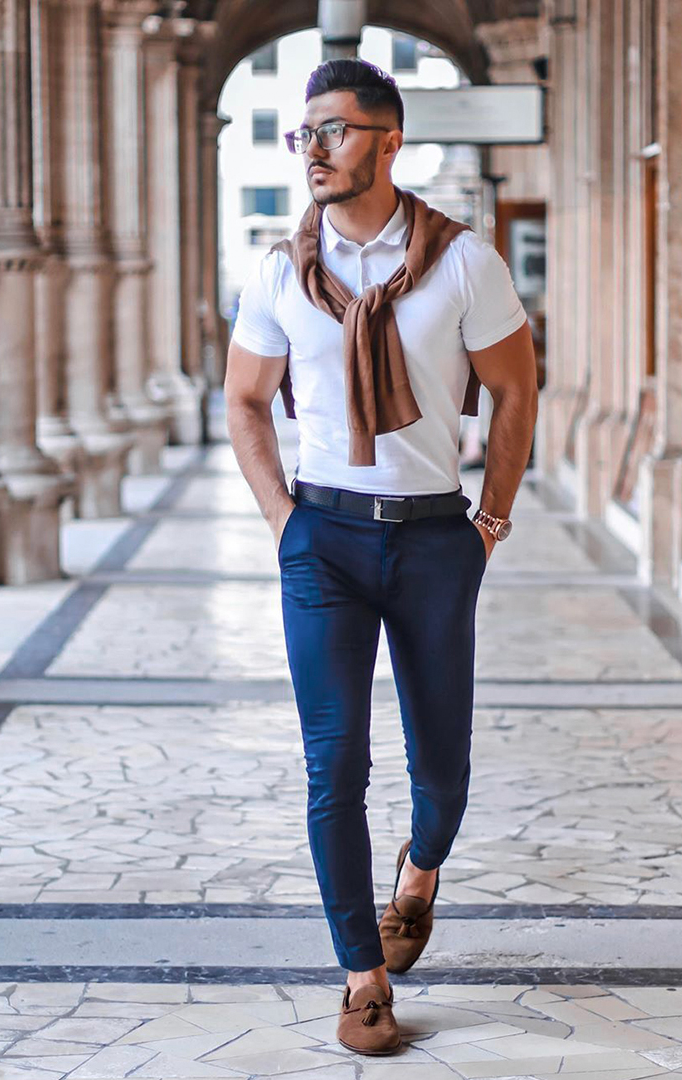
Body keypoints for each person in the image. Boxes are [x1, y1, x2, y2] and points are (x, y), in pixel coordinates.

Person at [225, 58, 538, 1055]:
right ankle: (362, 975)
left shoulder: (462, 263)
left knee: (441, 765)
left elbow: (517, 393)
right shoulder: (283, 270)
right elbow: (242, 400)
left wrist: (489, 519)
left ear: (388, 140)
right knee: (334, 765)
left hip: (435, 536)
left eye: (333, 130)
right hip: (325, 541)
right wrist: (284, 518)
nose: (312, 149)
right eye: (301, 134)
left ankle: (421, 872)